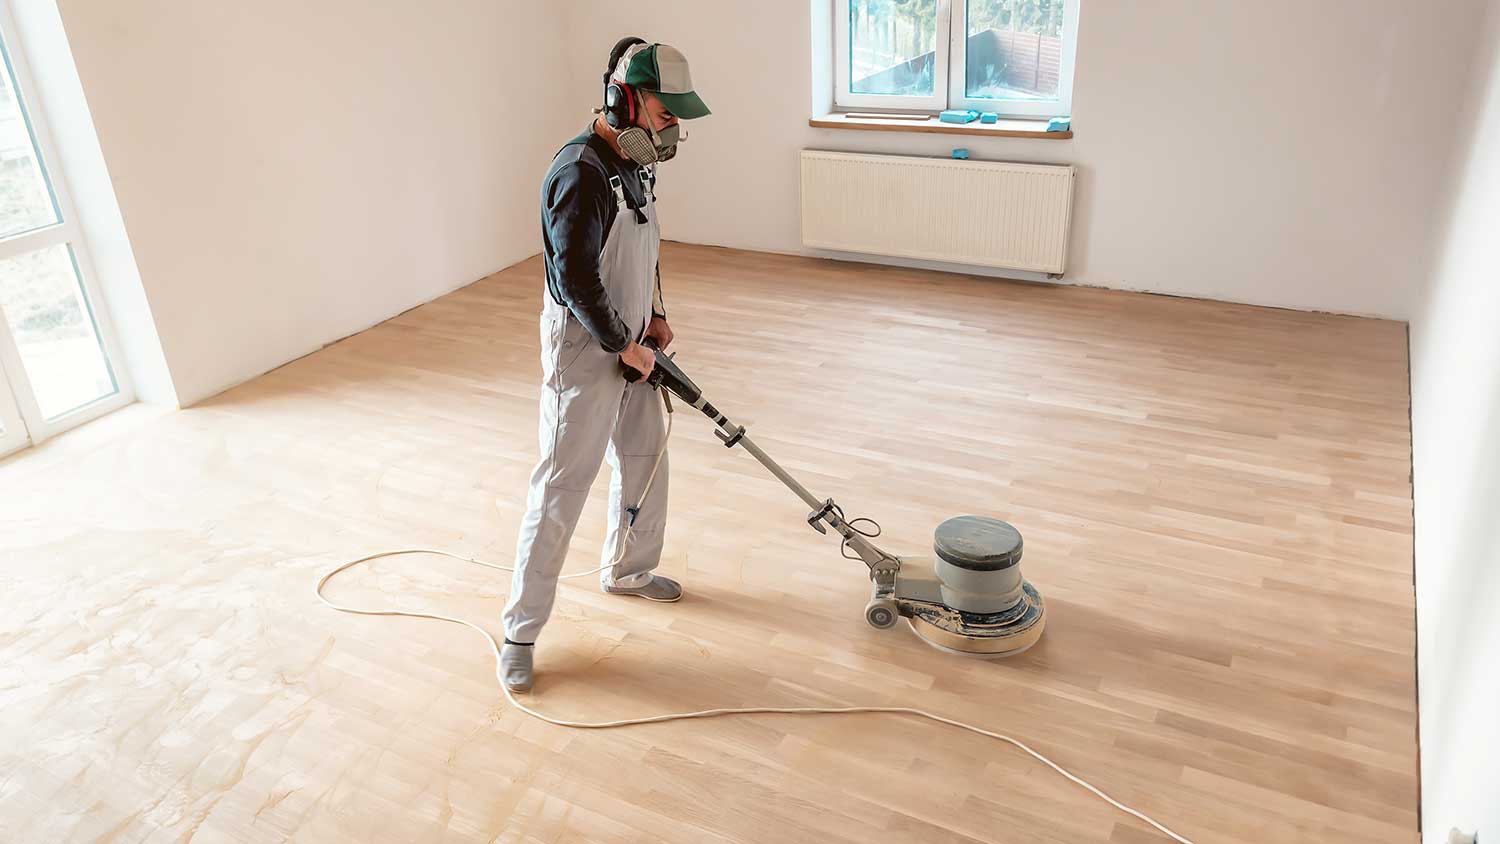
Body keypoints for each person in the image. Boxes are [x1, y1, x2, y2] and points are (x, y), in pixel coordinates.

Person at [499, 38, 711, 692]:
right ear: (627, 99)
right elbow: (575, 277)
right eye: (665, 109)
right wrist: (623, 344)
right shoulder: (580, 173)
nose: (673, 123)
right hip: (582, 350)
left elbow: (640, 247)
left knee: (646, 457)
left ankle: (629, 570)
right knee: (563, 486)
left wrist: (654, 312)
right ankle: (520, 630)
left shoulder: (637, 164)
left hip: (629, 337)